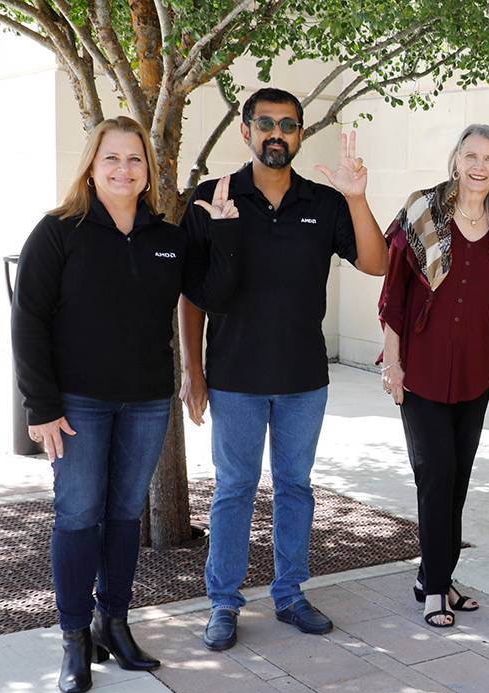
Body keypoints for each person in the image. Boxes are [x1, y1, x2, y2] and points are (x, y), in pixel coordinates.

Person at [12, 116, 240, 693]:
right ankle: (73, 638)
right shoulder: (59, 231)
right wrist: (40, 406)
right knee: (78, 515)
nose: (123, 169)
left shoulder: (167, 238)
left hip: (144, 400)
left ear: (148, 170)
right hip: (76, 403)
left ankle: (113, 623)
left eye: (134, 159)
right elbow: (28, 320)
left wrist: (226, 237)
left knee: (122, 517)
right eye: (111, 158)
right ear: (92, 164)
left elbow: (210, 293)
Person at [179, 88, 389, 651]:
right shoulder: (212, 197)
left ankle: (290, 594)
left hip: (303, 379)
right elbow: (191, 295)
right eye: (266, 123)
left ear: (300, 134)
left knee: (295, 487)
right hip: (235, 377)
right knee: (234, 490)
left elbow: (377, 262)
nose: (277, 133)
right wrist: (192, 372)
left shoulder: (324, 202)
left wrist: (358, 199)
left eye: (288, 125)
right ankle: (223, 603)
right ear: (246, 130)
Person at [377, 124, 489, 627]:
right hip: (422, 369)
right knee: (435, 475)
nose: (479, 165)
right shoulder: (422, 210)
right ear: (456, 160)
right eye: (471, 155)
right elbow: (395, 289)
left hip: (473, 371)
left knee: (458, 481)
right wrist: (393, 359)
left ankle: (439, 575)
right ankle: (433, 591)